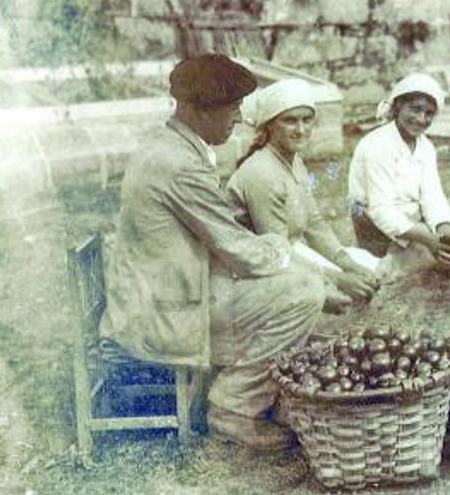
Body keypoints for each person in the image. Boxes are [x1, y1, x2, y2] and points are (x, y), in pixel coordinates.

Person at [100, 54, 325, 450]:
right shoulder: (178, 164)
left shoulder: (172, 146)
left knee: (295, 284)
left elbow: (222, 234)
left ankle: (264, 395)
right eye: (232, 108)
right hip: (164, 309)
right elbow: (238, 249)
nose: (238, 118)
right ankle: (234, 408)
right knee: (303, 294)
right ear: (197, 110)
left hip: (163, 288)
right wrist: (278, 247)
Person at [225, 78, 380, 312]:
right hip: (252, 269)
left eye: (307, 120)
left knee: (366, 265)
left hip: (288, 250)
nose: (301, 129)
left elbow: (314, 224)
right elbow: (276, 253)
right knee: (338, 292)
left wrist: (347, 264)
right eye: (290, 121)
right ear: (269, 125)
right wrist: (336, 279)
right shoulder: (261, 173)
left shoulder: (294, 161)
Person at [347, 73, 450, 278]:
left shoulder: (426, 147)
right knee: (431, 258)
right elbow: (381, 210)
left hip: (420, 228)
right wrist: (428, 239)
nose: (421, 119)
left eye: (429, 113)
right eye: (415, 109)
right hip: (381, 232)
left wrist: (444, 228)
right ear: (398, 105)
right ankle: (397, 269)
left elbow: (432, 196)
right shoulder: (376, 145)